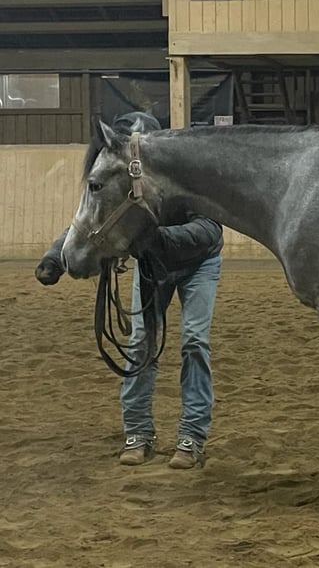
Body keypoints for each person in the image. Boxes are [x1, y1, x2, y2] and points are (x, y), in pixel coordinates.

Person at [35, 111, 223, 469]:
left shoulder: (187, 177)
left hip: (199, 264)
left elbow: (210, 231)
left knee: (194, 341)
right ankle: (138, 432)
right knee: (140, 344)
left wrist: (157, 238)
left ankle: (192, 436)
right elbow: (94, 220)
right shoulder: (127, 186)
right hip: (154, 267)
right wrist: (55, 256)